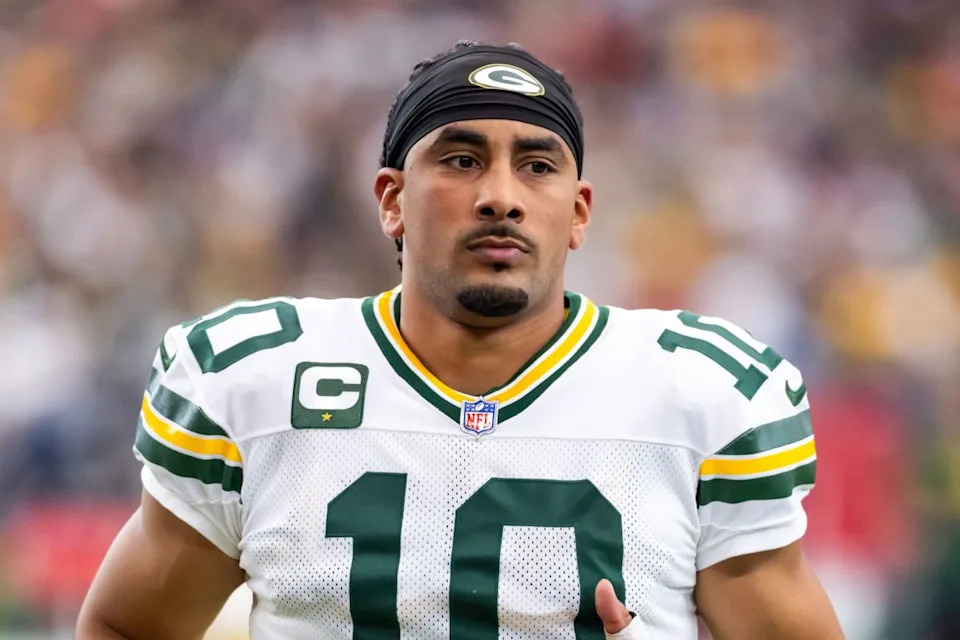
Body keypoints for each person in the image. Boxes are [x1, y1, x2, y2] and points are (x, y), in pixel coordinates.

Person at [77, 40, 843, 639]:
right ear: (391, 200)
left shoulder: (702, 395)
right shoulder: (252, 380)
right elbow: (124, 626)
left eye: (536, 166)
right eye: (461, 159)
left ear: (578, 213)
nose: (500, 197)